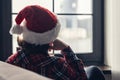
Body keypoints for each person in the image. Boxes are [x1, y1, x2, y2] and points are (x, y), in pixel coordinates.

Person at [6, 5, 88, 80]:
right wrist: (66, 49)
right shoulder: (57, 65)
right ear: (51, 39)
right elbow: (82, 78)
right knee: (94, 70)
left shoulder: (12, 62)